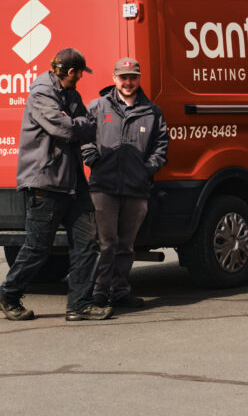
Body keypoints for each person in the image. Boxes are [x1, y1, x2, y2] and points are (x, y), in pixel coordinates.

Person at [0, 47, 112, 322]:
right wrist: (77, 124)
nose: (81, 78)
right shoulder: (41, 95)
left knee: (87, 242)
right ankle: (8, 295)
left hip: (72, 183)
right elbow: (67, 129)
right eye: (80, 73)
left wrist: (77, 123)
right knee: (38, 247)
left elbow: (87, 124)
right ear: (71, 72)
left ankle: (80, 305)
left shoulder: (70, 94)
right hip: (45, 182)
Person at [82, 57, 169, 309]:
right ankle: (98, 293)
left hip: (136, 187)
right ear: (114, 79)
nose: (128, 82)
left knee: (126, 245)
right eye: (123, 77)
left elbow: (161, 144)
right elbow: (84, 136)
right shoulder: (98, 107)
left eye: (132, 77)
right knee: (105, 243)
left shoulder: (152, 111)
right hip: (103, 186)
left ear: (139, 79)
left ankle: (119, 291)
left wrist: (149, 168)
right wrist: (91, 158)